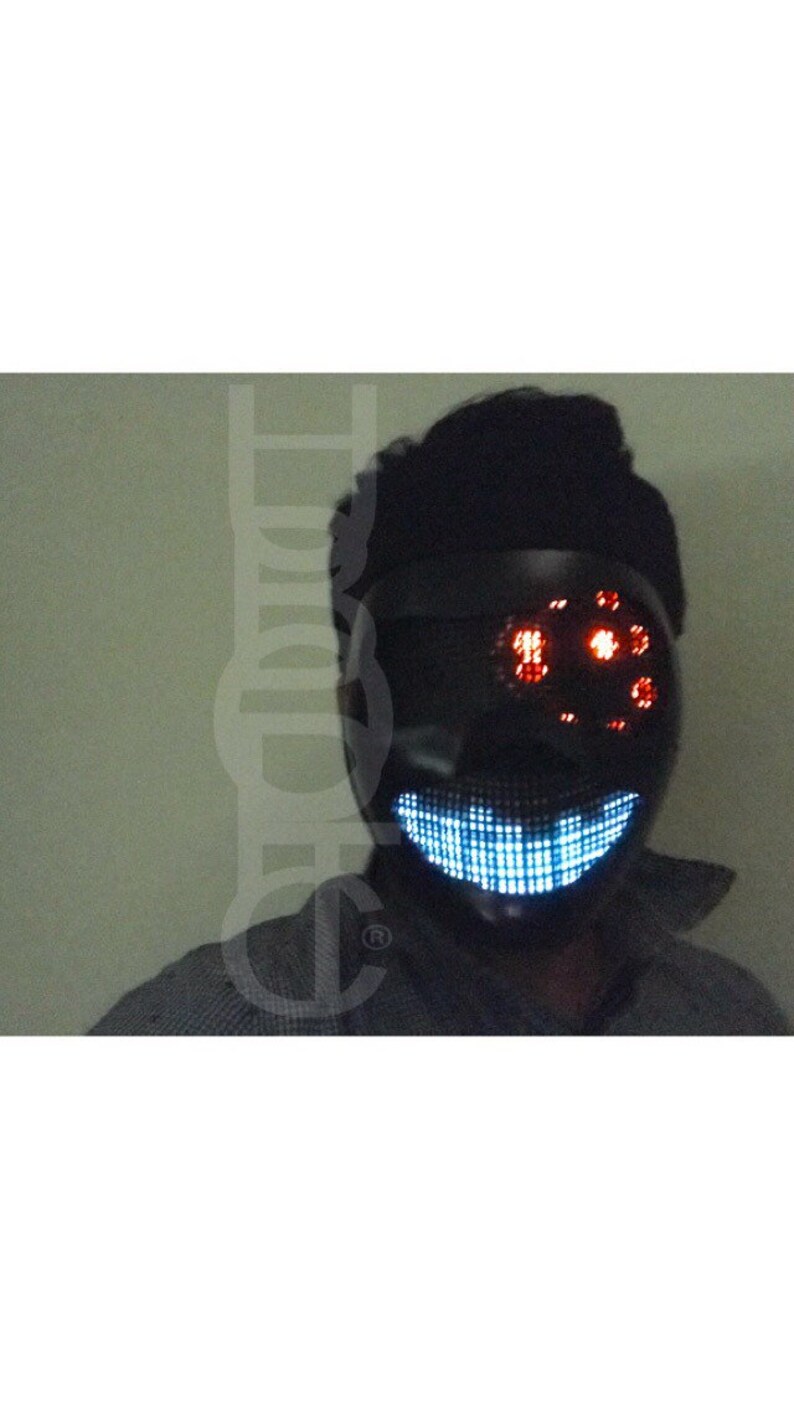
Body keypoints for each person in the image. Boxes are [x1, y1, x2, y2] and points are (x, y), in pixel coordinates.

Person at [90, 387, 791, 1036]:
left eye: (584, 671)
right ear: (351, 706)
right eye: (439, 676)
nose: (521, 747)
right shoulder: (203, 1035)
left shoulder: (731, 1020)